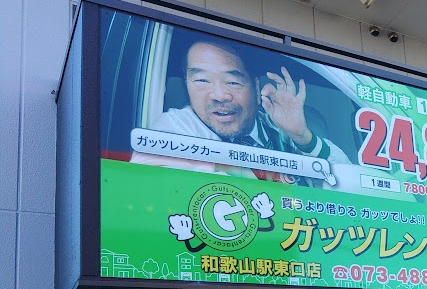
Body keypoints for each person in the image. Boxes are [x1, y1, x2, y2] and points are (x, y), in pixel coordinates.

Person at [130, 37, 349, 182]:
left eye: (233, 82)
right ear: (187, 85)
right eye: (202, 80)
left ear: (255, 86)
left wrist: (303, 137)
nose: (219, 95)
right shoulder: (177, 127)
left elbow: (345, 179)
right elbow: (147, 182)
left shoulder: (278, 126)